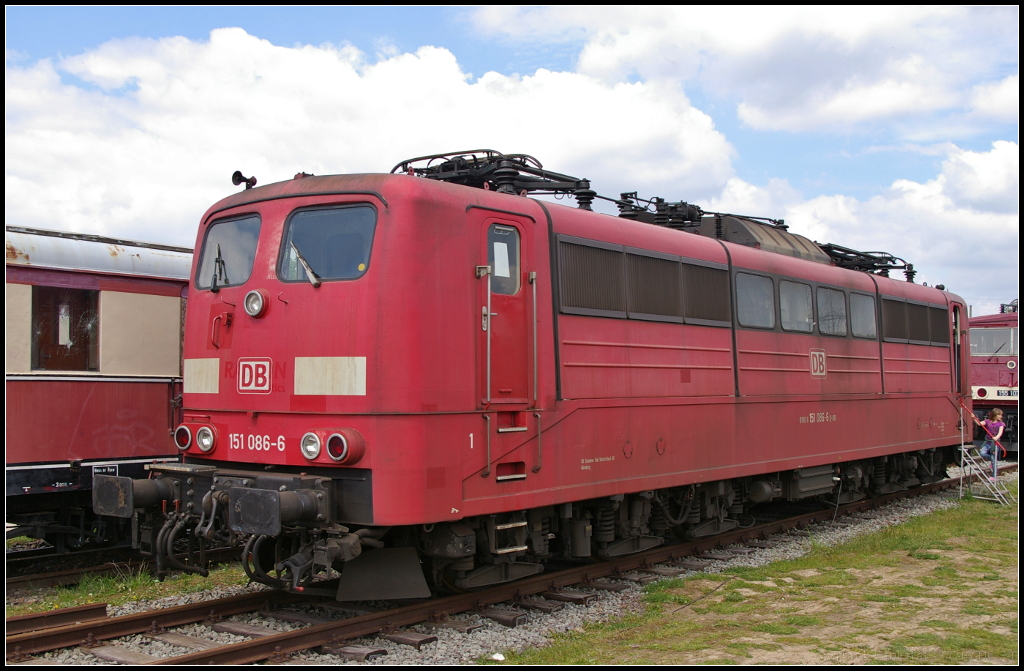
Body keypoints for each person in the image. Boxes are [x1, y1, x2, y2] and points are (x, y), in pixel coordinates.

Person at [974, 409, 1005, 479]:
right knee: (982, 453)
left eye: (1001, 415)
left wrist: (996, 437)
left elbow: (1000, 432)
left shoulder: (1001, 424)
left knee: (994, 460)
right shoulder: (988, 421)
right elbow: (979, 424)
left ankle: (994, 475)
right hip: (988, 442)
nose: (1001, 416)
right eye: (999, 415)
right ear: (994, 415)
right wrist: (974, 418)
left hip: (995, 444)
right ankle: (991, 459)